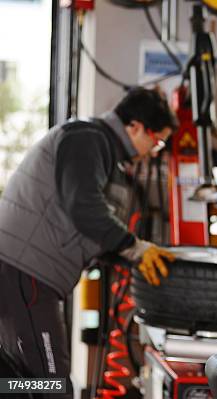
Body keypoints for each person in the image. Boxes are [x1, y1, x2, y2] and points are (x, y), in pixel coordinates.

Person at [0, 87, 177, 397]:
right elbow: (84, 207)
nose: (154, 150)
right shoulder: (86, 139)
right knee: (52, 384)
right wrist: (136, 248)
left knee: (20, 378)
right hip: (26, 273)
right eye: (157, 140)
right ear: (134, 126)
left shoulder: (103, 152)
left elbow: (87, 229)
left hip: (25, 273)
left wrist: (133, 257)